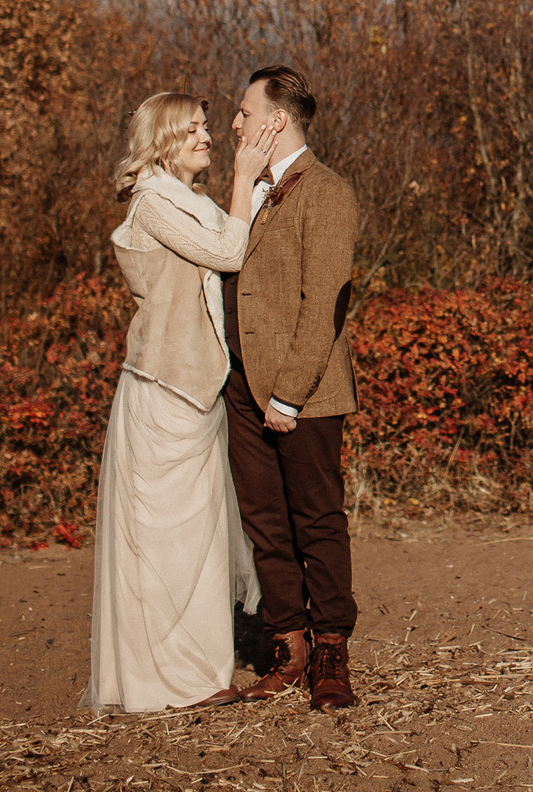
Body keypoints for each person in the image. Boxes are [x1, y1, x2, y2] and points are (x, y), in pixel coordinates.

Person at [84, 92, 281, 713]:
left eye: (204, 127)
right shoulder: (154, 203)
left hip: (192, 389)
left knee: (198, 538)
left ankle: (197, 673)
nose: (208, 137)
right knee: (168, 540)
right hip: (164, 391)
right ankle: (163, 683)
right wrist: (247, 176)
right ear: (164, 138)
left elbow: (224, 242)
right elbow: (228, 252)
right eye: (193, 129)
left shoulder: (184, 200)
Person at [222, 64, 362, 710]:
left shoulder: (328, 190)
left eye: (245, 112)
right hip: (242, 389)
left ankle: (331, 647)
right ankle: (288, 646)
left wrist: (288, 395)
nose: (235, 123)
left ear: (276, 120)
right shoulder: (248, 191)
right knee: (265, 523)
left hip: (303, 393)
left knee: (316, 519)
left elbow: (324, 300)